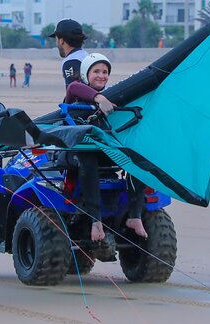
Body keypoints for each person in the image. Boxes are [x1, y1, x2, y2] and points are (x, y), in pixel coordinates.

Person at [62, 53, 148, 241]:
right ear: (85, 74)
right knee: (88, 156)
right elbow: (74, 87)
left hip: (104, 149)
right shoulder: (76, 90)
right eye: (96, 71)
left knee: (138, 157)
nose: (101, 75)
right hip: (76, 151)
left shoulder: (112, 95)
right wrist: (99, 99)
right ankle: (95, 220)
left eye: (105, 72)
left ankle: (135, 215)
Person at [48, 18, 89, 86]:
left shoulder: (70, 62)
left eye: (56, 39)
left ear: (61, 41)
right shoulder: (85, 56)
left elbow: (76, 92)